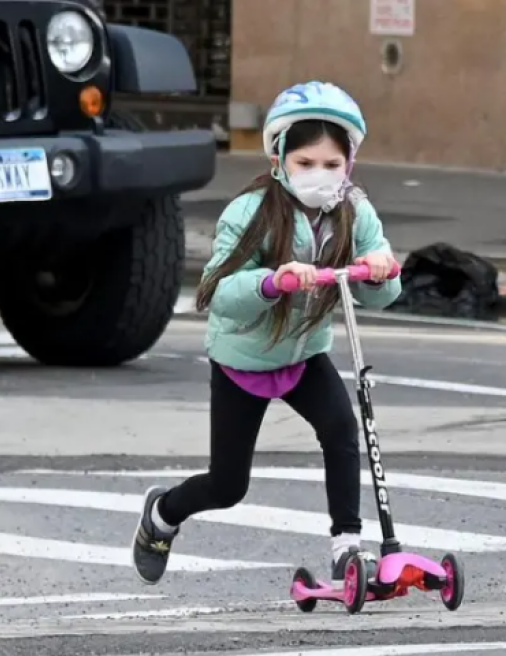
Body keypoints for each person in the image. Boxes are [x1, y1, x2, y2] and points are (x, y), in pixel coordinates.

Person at [130, 81, 402, 587]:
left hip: (305, 354)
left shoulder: (355, 212)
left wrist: (383, 271)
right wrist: (272, 281)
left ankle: (347, 547)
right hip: (244, 360)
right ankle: (162, 514)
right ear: (279, 161)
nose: (319, 174)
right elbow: (218, 291)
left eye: (331, 164)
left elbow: (376, 295)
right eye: (305, 162)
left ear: (349, 167)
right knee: (228, 484)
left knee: (342, 432)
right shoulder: (250, 211)